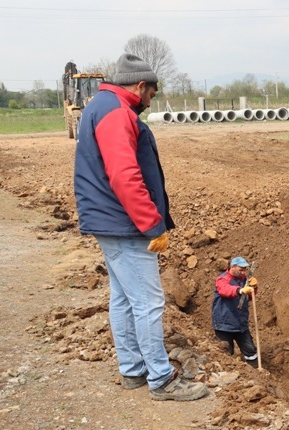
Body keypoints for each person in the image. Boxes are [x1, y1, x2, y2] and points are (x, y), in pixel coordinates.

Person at [73, 53, 208, 401]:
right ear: (140, 85)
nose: (150, 102)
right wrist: (152, 225)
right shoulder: (117, 112)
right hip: (125, 223)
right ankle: (161, 380)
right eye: (151, 94)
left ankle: (133, 369)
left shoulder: (99, 106)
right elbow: (124, 175)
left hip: (110, 221)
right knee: (148, 302)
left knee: (123, 298)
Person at [212, 257, 260, 368]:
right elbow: (225, 290)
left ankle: (256, 371)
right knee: (226, 352)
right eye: (241, 269)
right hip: (224, 324)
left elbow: (249, 297)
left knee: (250, 350)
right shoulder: (222, 279)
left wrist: (253, 287)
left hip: (240, 323)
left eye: (244, 270)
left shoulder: (243, 279)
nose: (243, 272)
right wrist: (240, 290)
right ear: (233, 267)